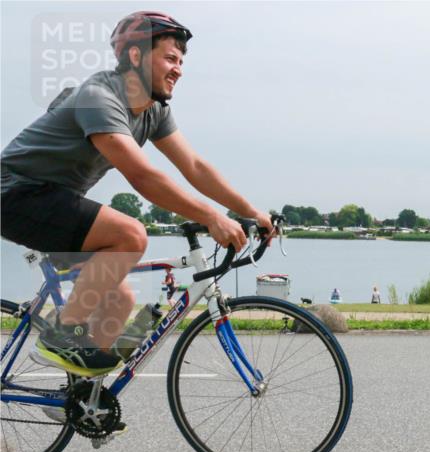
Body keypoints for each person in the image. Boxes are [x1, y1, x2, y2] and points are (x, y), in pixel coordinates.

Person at [0, 11, 273, 377]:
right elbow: (142, 176)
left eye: (181, 61)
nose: (178, 69)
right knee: (129, 235)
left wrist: (252, 213)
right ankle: (58, 336)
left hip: (55, 201)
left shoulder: (154, 111)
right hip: (15, 193)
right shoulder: (98, 97)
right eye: (170, 58)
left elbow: (194, 166)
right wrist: (211, 217)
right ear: (135, 57)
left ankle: (79, 398)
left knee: (121, 301)